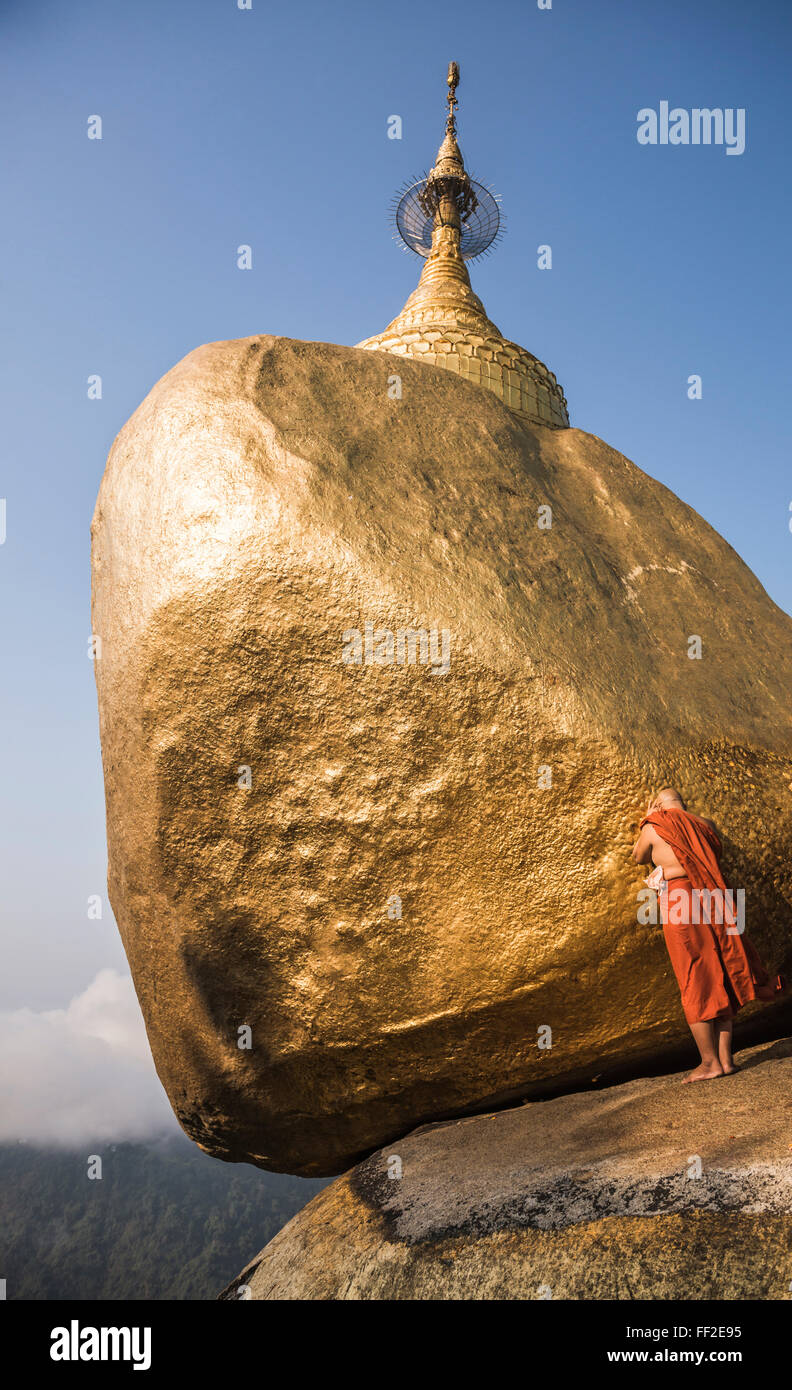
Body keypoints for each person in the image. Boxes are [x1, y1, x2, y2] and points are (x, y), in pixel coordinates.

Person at [632, 787, 785, 1084]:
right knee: (724, 971)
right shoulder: (706, 824)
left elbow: (639, 857)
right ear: (684, 804)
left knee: (693, 976)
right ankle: (726, 1060)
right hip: (717, 898)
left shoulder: (655, 825)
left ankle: (708, 1062)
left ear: (661, 806)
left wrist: (649, 818)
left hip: (681, 901)